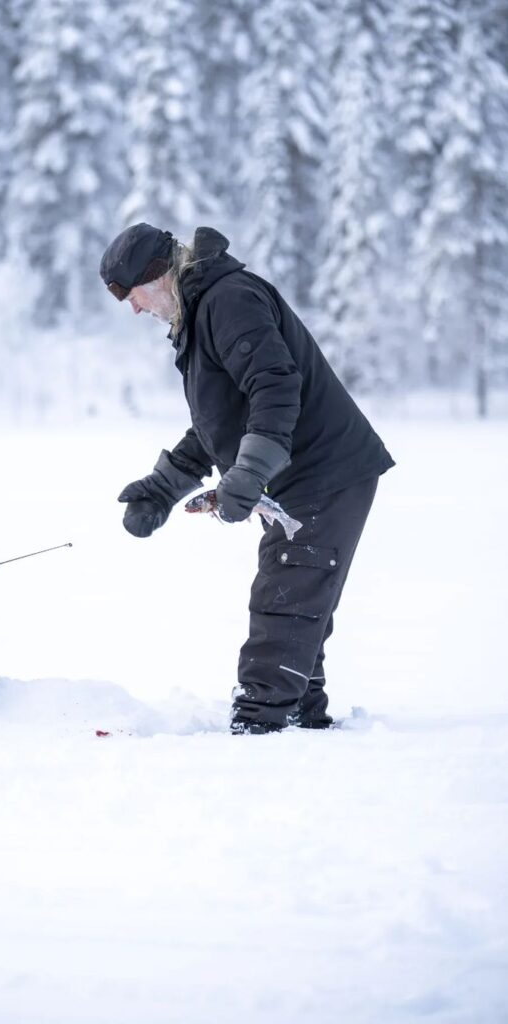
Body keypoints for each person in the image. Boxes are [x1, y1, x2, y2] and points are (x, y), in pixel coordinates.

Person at [100, 224, 394, 734]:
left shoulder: (228, 300)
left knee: (285, 598)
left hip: (324, 471)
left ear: (158, 275)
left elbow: (275, 387)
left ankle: (261, 728)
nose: (134, 309)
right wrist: (165, 487)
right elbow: (219, 422)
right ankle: (300, 719)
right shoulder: (202, 309)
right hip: (301, 475)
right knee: (297, 598)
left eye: (134, 294)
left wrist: (250, 472)